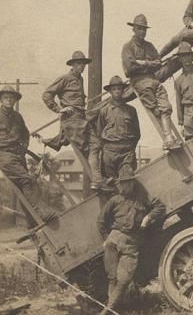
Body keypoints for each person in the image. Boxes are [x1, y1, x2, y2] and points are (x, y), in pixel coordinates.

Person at [0, 86, 56, 227]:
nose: (9, 100)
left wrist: (23, 148)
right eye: (6, 97)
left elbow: (25, 133)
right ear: (0, 99)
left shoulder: (18, 117)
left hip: (18, 155)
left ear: (15, 100)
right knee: (27, 180)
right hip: (4, 155)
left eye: (11, 98)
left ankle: (34, 223)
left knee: (26, 188)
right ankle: (41, 213)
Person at [97, 166, 166, 315]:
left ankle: (108, 309)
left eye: (129, 182)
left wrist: (148, 217)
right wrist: (105, 238)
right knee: (112, 277)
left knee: (124, 279)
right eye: (123, 183)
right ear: (120, 184)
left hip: (132, 243)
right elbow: (101, 221)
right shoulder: (115, 200)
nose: (126, 185)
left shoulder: (142, 198)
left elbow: (160, 206)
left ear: (133, 183)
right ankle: (111, 309)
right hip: (113, 241)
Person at [122, 14, 180, 151]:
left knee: (166, 106)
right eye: (139, 29)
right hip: (140, 81)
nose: (142, 32)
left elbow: (158, 63)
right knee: (155, 108)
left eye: (144, 29)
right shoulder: (128, 47)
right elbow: (130, 68)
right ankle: (168, 138)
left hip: (153, 79)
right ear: (134, 29)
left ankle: (169, 139)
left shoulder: (149, 46)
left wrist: (142, 63)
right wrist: (149, 64)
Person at [90, 75, 141, 188]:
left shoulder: (131, 110)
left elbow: (137, 133)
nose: (117, 92)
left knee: (128, 179)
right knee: (110, 183)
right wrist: (107, 149)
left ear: (123, 90)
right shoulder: (104, 111)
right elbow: (99, 133)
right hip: (109, 152)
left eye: (119, 89)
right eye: (114, 89)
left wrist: (130, 148)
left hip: (127, 151)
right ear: (110, 92)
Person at [41, 50, 92, 155]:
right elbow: (47, 95)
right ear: (72, 65)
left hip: (81, 116)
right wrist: (59, 109)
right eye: (79, 63)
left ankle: (57, 140)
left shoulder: (80, 79)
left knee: (93, 141)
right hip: (71, 117)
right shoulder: (65, 78)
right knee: (83, 148)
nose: (82, 66)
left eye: (83, 64)